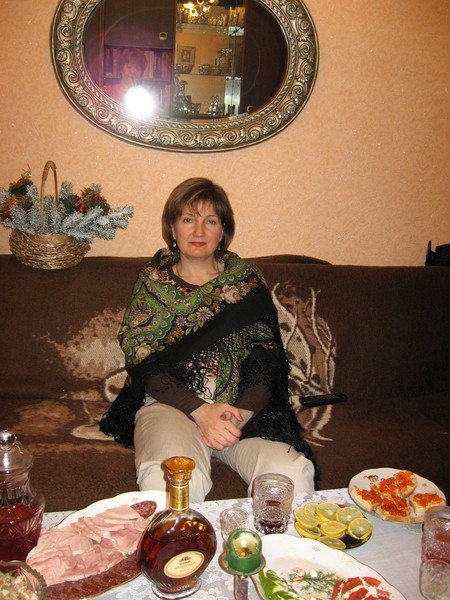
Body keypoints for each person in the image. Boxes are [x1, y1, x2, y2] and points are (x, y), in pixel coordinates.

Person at [99, 178, 319, 502]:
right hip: (171, 408)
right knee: (172, 484)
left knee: (292, 476)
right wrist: (201, 412)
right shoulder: (152, 283)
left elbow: (268, 359)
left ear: (223, 231)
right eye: (188, 219)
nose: (199, 231)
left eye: (211, 221)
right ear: (172, 228)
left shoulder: (247, 283)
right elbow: (142, 361)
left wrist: (238, 415)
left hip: (240, 413)